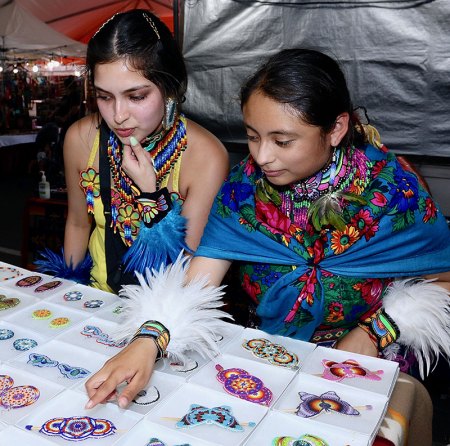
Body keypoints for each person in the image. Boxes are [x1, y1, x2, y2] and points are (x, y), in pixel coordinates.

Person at [85, 49, 450, 413]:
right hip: (266, 356)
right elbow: (198, 279)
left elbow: (444, 279)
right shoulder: (244, 189)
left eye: (282, 141)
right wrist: (149, 339)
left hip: (361, 360)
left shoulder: (392, 190)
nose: (261, 156)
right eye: (253, 136)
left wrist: (374, 332)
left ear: (336, 129)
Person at [36, 10, 229, 293]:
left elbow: (189, 267)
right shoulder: (81, 138)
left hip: (162, 312)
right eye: (104, 96)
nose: (118, 115)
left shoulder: (206, 156)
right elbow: (77, 225)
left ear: (170, 87)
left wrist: (151, 195)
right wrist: (70, 295)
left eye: (136, 96)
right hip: (96, 297)